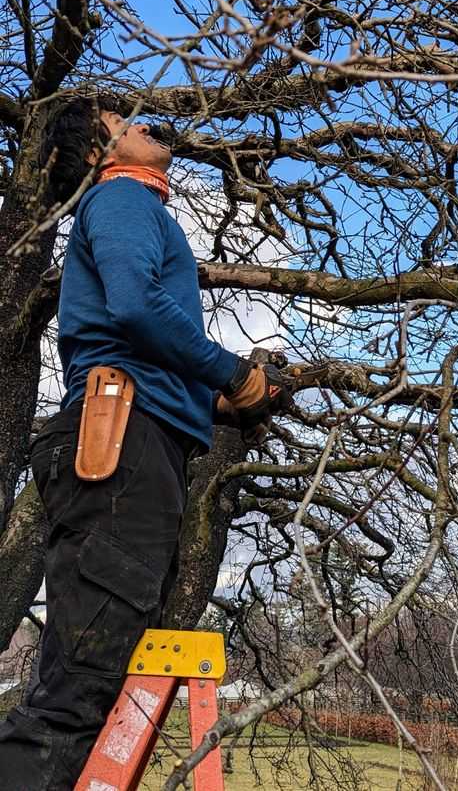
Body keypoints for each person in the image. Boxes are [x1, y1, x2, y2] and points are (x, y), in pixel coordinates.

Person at [0, 95, 292, 789]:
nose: (142, 127)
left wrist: (223, 401)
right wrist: (231, 373)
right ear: (101, 154)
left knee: (99, 680)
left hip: (137, 444)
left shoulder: (132, 208)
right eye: (120, 125)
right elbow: (133, 308)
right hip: (120, 446)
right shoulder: (123, 199)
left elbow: (140, 339)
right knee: (77, 695)